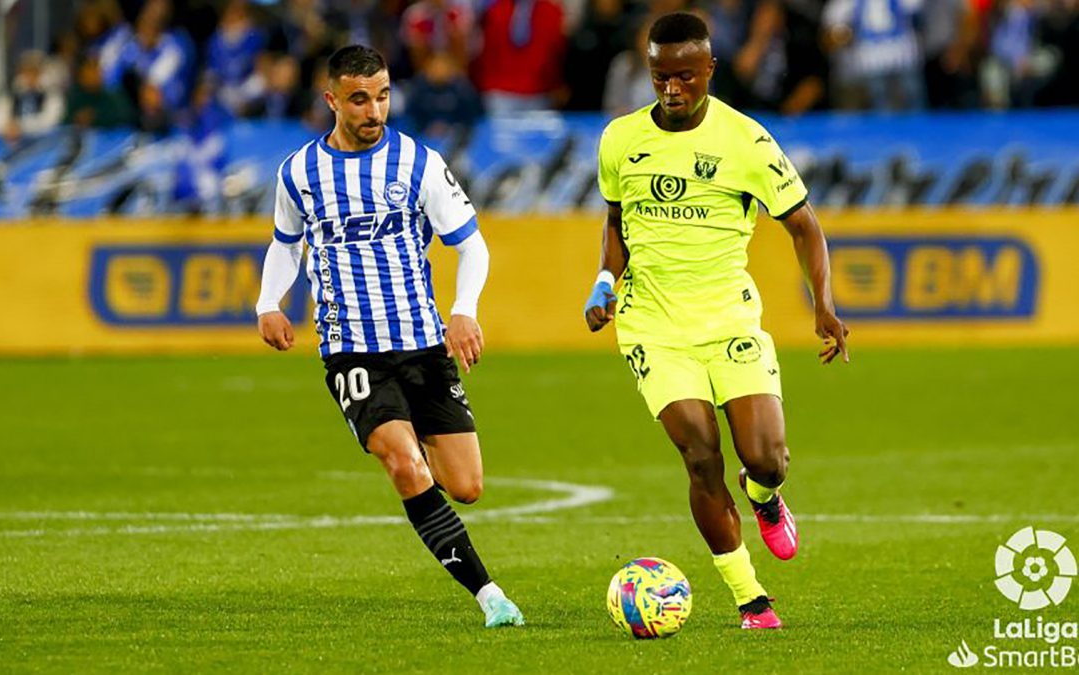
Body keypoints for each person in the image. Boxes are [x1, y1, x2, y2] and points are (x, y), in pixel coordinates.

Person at [584, 12, 849, 630]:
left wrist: (825, 304)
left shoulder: (748, 142)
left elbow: (804, 225)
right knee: (700, 455)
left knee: (766, 458)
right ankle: (750, 598)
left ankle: (765, 496)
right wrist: (603, 283)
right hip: (653, 324)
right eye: (660, 77)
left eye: (685, 76)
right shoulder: (619, 139)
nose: (672, 90)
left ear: (710, 70)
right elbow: (617, 223)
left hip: (729, 318)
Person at [255, 44, 524, 629]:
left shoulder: (418, 163)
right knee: (404, 464)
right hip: (352, 351)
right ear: (332, 100)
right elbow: (285, 243)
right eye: (358, 99)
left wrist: (464, 311)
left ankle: (414, 451)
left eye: (381, 96)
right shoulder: (300, 172)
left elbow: (469, 243)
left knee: (467, 485)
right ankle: (490, 596)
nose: (373, 110)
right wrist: (267, 302)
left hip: (424, 345)